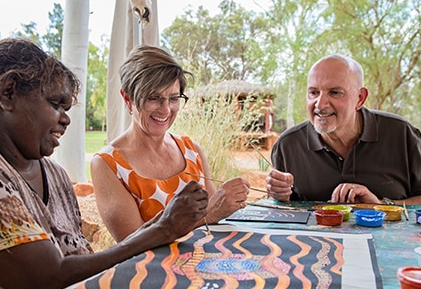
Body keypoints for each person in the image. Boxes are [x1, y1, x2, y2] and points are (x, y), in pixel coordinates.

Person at [0, 38, 209, 289]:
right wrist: (163, 228)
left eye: (67, 109)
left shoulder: (53, 174)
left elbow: (78, 259)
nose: (66, 119)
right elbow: (45, 281)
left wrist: (165, 226)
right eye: (56, 104)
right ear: (7, 93)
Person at [91, 45, 250, 243]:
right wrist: (210, 214)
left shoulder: (192, 150)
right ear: (127, 99)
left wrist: (227, 202)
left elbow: (213, 223)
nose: (165, 110)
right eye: (154, 98)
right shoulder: (108, 164)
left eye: (174, 98)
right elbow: (131, 244)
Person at [266, 53, 421, 205]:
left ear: (360, 98)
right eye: (314, 93)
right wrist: (280, 196)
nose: (320, 104)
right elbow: (278, 210)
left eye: (335, 93)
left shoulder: (402, 135)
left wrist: (380, 204)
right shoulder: (288, 145)